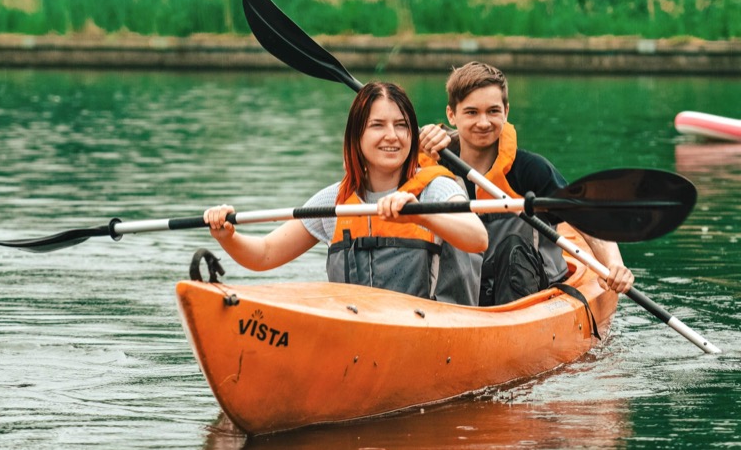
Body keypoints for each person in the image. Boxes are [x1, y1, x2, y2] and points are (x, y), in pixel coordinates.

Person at [205, 81, 488, 305]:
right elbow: (264, 255)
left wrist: (422, 216)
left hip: (430, 335)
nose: (392, 135)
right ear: (357, 136)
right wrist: (227, 236)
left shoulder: (436, 189)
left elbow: (477, 238)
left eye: (401, 126)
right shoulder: (334, 201)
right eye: (378, 125)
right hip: (360, 331)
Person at [420, 61, 634, 306]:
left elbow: (584, 215)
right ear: (451, 114)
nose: (483, 122)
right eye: (471, 112)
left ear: (506, 112)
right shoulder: (435, 163)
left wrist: (614, 264)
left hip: (527, 294)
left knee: (512, 247)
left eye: (493, 111)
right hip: (463, 294)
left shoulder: (530, 169)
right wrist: (419, 139)